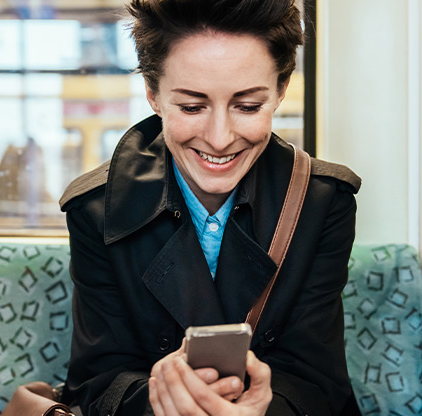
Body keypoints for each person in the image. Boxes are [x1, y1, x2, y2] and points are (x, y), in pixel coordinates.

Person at [59, 0, 361, 414]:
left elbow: (316, 378)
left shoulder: (323, 201)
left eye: (248, 106)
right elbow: (99, 379)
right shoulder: (95, 209)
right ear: (153, 94)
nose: (219, 138)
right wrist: (164, 403)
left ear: (281, 90)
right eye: (191, 107)